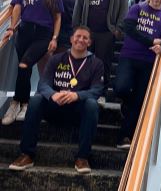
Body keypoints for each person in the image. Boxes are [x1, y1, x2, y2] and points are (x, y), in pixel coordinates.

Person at [8, 26, 104, 174]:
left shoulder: (96, 63)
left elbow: (97, 90)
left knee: (92, 104)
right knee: (36, 100)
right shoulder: (56, 59)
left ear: (89, 43)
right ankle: (26, 154)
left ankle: (83, 158)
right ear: (71, 39)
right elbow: (43, 83)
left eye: (85, 38)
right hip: (55, 107)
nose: (81, 40)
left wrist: (77, 96)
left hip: (77, 112)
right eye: (78, 36)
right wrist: (53, 94)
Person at [2, 0, 64, 125]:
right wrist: (11, 28)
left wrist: (54, 38)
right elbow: (16, 9)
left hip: (43, 35)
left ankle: (16, 102)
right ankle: (22, 105)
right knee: (25, 69)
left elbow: (57, 18)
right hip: (24, 32)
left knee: (24, 65)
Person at [113, 0, 161, 149]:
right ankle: (125, 107)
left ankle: (124, 137)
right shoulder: (137, 8)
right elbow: (129, 29)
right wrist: (151, 41)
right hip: (129, 56)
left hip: (149, 61)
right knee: (121, 88)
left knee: (139, 100)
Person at [72, 0, 129, 102]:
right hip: (86, 31)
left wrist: (117, 30)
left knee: (104, 64)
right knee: (83, 62)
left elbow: (124, 10)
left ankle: (101, 93)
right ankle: (82, 90)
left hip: (106, 32)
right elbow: (78, 6)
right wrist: (76, 28)